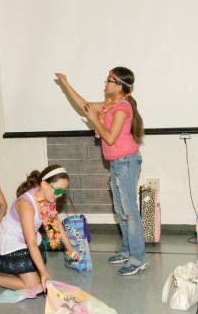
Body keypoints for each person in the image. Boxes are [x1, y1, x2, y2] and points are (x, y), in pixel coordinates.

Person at [55, 68, 148, 276]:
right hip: (117, 163)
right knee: (121, 211)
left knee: (130, 212)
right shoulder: (110, 105)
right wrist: (66, 84)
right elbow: (85, 106)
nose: (105, 83)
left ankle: (138, 258)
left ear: (119, 86)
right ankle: (127, 251)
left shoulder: (123, 107)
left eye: (109, 80)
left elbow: (110, 138)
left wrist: (94, 120)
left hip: (127, 162)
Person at [0, 165, 79, 292]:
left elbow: (54, 221)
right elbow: (31, 243)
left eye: (63, 191)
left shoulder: (49, 196)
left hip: (29, 239)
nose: (60, 195)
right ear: (44, 184)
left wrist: (69, 248)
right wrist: (43, 271)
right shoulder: (26, 205)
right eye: (58, 191)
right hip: (12, 244)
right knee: (34, 285)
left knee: (38, 278)